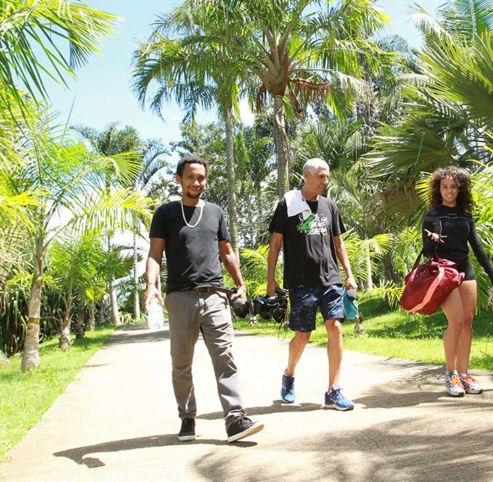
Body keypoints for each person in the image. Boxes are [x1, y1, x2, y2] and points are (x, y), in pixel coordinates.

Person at [144, 155, 264, 443]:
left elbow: (227, 252)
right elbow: (155, 254)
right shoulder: (165, 213)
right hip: (180, 298)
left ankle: (235, 419)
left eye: (201, 178)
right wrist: (151, 285)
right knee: (181, 363)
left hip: (215, 297)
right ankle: (187, 417)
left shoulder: (215, 212)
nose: (196, 182)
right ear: (179, 179)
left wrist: (240, 284)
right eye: (191, 177)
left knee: (225, 357)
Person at [267, 158, 358, 411]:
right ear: (306, 176)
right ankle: (289, 374)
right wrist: (270, 279)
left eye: (327, 176)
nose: (325, 181)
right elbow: (275, 243)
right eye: (320, 176)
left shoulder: (330, 206)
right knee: (302, 336)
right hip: (301, 282)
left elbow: (339, 243)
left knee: (335, 327)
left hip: (330, 278)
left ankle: (333, 391)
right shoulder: (288, 204)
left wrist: (349, 275)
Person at [422, 167, 493, 397]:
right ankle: (450, 375)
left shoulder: (465, 217)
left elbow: (477, 247)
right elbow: (426, 251)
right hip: (444, 273)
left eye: (453, 187)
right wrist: (433, 241)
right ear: (438, 189)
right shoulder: (432, 216)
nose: (449, 191)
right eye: (445, 187)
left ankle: (464, 374)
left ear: (460, 189)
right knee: (456, 321)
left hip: (465, 271)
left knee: (467, 322)